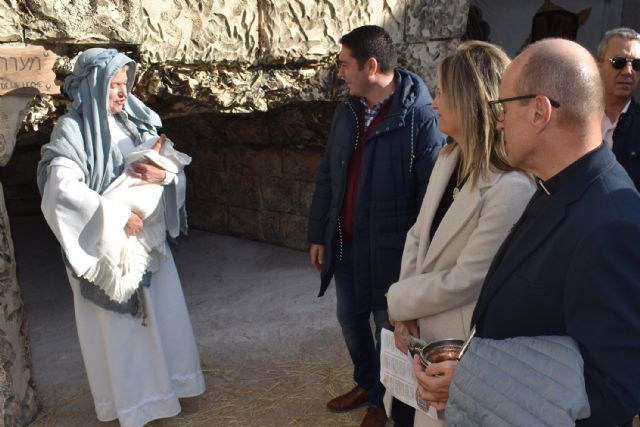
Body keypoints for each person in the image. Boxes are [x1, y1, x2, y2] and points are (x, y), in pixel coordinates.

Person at [413, 38, 640, 426]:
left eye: (502, 106)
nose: (497, 120)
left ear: (539, 112)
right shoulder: (559, 184)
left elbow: (609, 396)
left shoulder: (610, 222)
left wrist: (472, 383)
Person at [37, 48, 205, 427]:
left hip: (149, 244)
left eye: (124, 85)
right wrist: (116, 216)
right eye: (113, 86)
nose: (121, 94)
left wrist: (166, 177)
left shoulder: (135, 123)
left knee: (161, 318)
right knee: (123, 333)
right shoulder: (73, 130)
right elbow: (60, 190)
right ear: (93, 86)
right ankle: (136, 406)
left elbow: (170, 168)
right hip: (110, 249)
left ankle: (167, 393)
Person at [385, 40, 535, 427]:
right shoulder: (450, 156)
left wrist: (401, 302)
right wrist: (404, 316)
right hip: (418, 330)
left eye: (441, 92)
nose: (433, 103)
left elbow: (469, 278)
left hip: (456, 346)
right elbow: (418, 235)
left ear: (469, 100)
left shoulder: (511, 186)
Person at [307, 25, 445, 427]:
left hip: (392, 254)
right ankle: (368, 383)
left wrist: (419, 262)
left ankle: (385, 402)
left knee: (390, 330)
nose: (340, 73)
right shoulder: (347, 110)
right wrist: (318, 233)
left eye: (344, 64)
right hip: (346, 244)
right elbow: (328, 175)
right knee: (350, 322)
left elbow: (430, 197)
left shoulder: (419, 117)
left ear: (371, 65)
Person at [596, 27, 640, 190]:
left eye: (637, 64)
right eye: (618, 62)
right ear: (598, 65)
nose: (628, 72)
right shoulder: (577, 119)